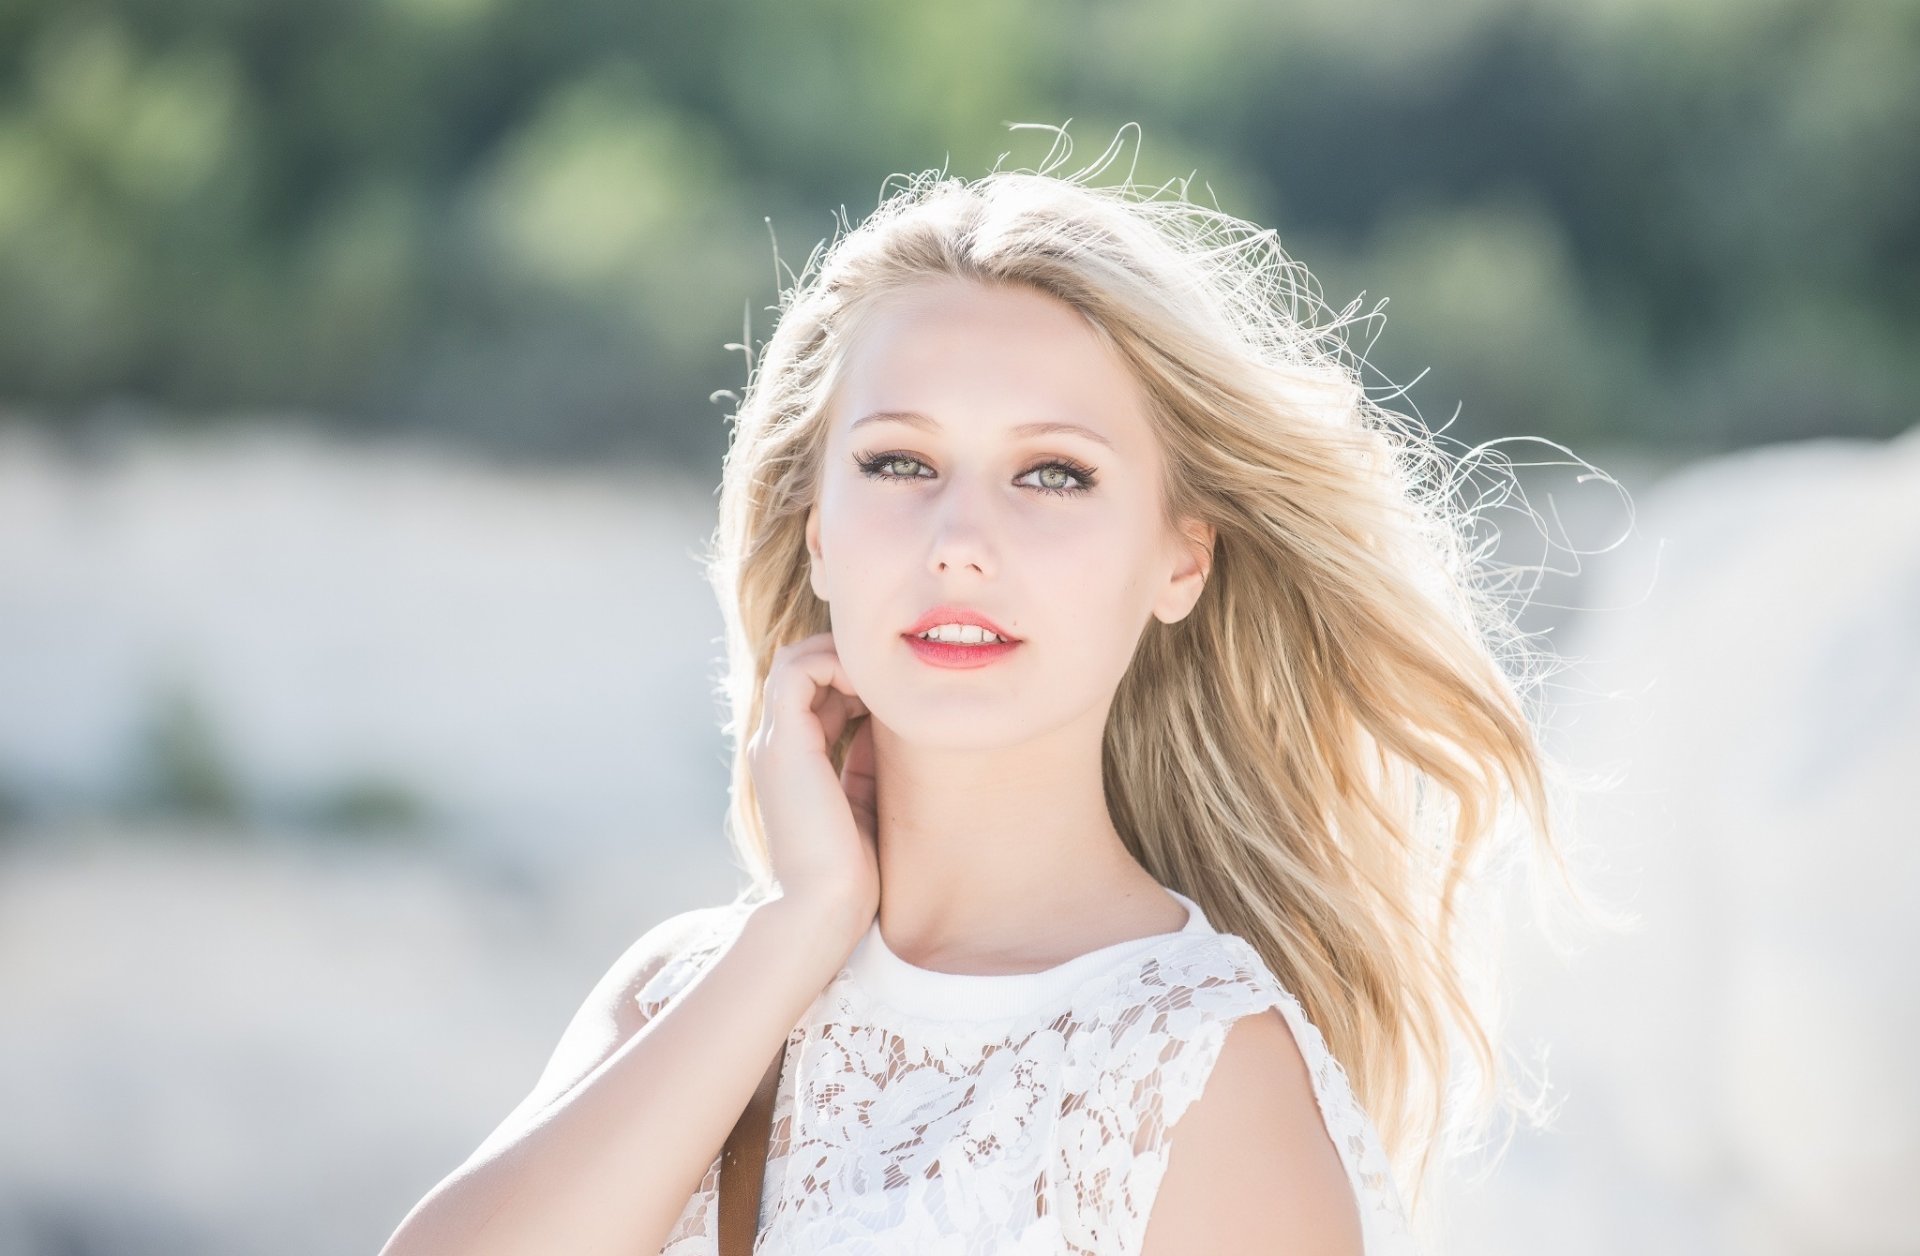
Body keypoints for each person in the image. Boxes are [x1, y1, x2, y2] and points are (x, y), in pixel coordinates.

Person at [381, 126, 1600, 1256]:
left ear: (1181, 559)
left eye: (1054, 473)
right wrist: (804, 921)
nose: (960, 539)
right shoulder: (686, 986)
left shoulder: (1201, 1071)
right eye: (899, 460)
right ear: (817, 532)